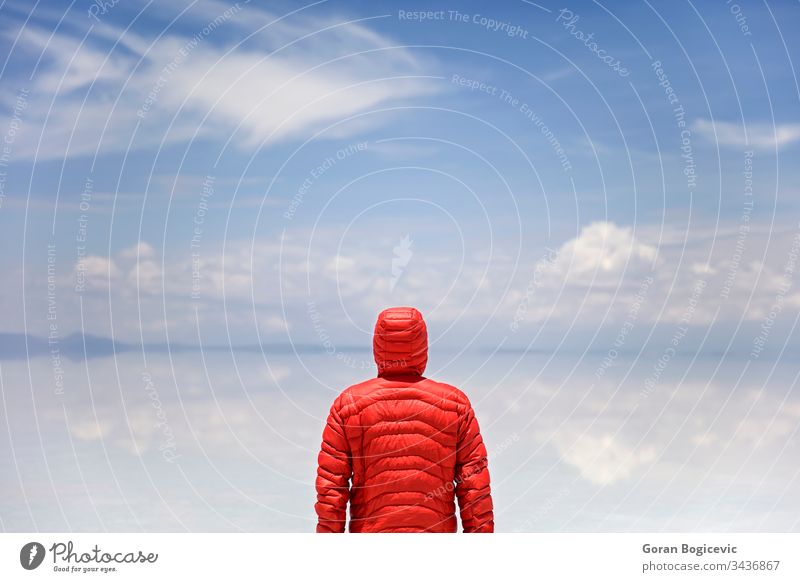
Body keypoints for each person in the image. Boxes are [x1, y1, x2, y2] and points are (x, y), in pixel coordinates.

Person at [314, 306, 493, 533]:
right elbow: (475, 488)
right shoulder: (456, 403)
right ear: (422, 347)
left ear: (378, 347)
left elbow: (331, 490)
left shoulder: (348, 404)